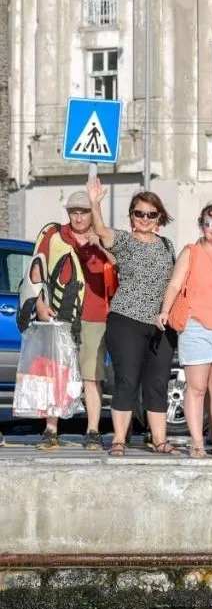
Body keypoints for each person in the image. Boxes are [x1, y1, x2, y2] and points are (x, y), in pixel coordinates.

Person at [87, 178, 180, 456]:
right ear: (132, 216)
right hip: (127, 319)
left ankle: (160, 440)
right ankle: (118, 439)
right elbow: (102, 231)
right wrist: (95, 203)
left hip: (161, 324)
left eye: (151, 214)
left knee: (158, 382)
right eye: (139, 213)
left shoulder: (167, 245)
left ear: (159, 217)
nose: (145, 218)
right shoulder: (125, 240)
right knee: (127, 380)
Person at [157, 204, 212, 458]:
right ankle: (197, 442)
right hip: (196, 325)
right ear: (202, 225)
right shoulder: (192, 252)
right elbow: (175, 284)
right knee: (196, 387)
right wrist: (165, 310)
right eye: (209, 223)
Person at [29, 190, 113, 451]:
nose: (78, 217)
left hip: (95, 314)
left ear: (92, 213)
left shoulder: (104, 238)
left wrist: (97, 244)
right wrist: (40, 304)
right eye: (74, 212)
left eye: (84, 212)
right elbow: (36, 269)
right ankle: (51, 430)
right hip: (59, 313)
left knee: (92, 375)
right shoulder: (55, 236)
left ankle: (92, 431)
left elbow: (116, 268)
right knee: (55, 373)